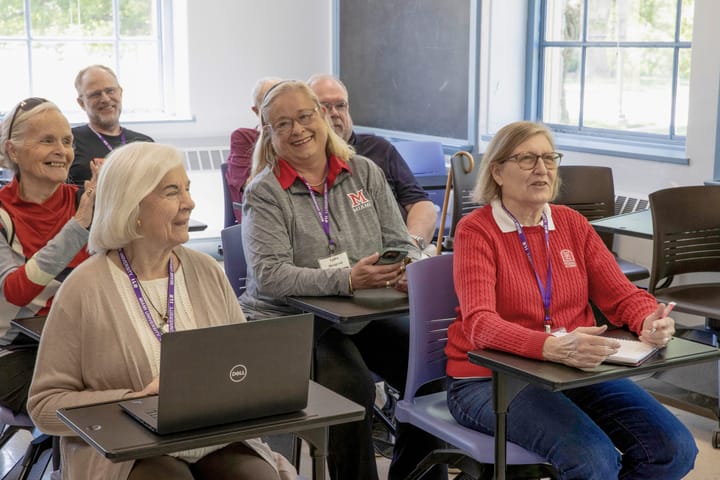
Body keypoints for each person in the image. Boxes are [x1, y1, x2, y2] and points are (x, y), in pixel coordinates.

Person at [445, 121, 697, 479]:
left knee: (674, 449)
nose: (543, 169)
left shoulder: (571, 223)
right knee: (593, 459)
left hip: (569, 370)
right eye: (528, 159)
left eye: (549, 158)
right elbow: (480, 325)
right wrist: (550, 346)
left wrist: (648, 321)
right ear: (498, 171)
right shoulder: (477, 230)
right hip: (489, 380)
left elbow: (624, 295)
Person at [27, 142, 294, 480]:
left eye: (187, 189)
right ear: (131, 206)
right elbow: (44, 407)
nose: (190, 202)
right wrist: (134, 399)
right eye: (172, 192)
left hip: (210, 437)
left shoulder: (207, 271)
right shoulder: (83, 288)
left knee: (257, 476)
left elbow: (244, 367)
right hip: (126, 451)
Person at [240, 80, 445, 480]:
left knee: (432, 369)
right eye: (282, 124)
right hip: (292, 321)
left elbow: (399, 241)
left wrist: (405, 269)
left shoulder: (363, 172)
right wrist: (348, 278)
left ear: (322, 116)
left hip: (360, 312)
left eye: (304, 116)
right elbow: (269, 276)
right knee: (350, 387)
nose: (298, 130)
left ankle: (413, 475)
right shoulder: (264, 191)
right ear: (269, 134)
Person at [0, 97, 96, 416]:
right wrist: (79, 226)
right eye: (47, 140)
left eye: (67, 141)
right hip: (15, 352)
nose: (61, 150)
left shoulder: (86, 200)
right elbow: (16, 290)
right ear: (13, 151)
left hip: (86, 345)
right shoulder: (3, 215)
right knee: (98, 404)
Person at [307, 74, 437, 252]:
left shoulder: (379, 149)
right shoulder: (307, 163)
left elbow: (420, 204)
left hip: (398, 251)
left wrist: (411, 247)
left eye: (340, 105)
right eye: (325, 107)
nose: (335, 113)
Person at [69, 64, 153, 186]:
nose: (106, 99)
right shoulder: (69, 142)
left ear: (120, 93)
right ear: (81, 103)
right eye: (95, 94)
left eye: (110, 91)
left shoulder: (145, 144)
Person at [225, 76, 282, 223]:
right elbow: (252, 188)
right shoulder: (243, 137)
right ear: (256, 111)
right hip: (260, 218)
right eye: (268, 103)